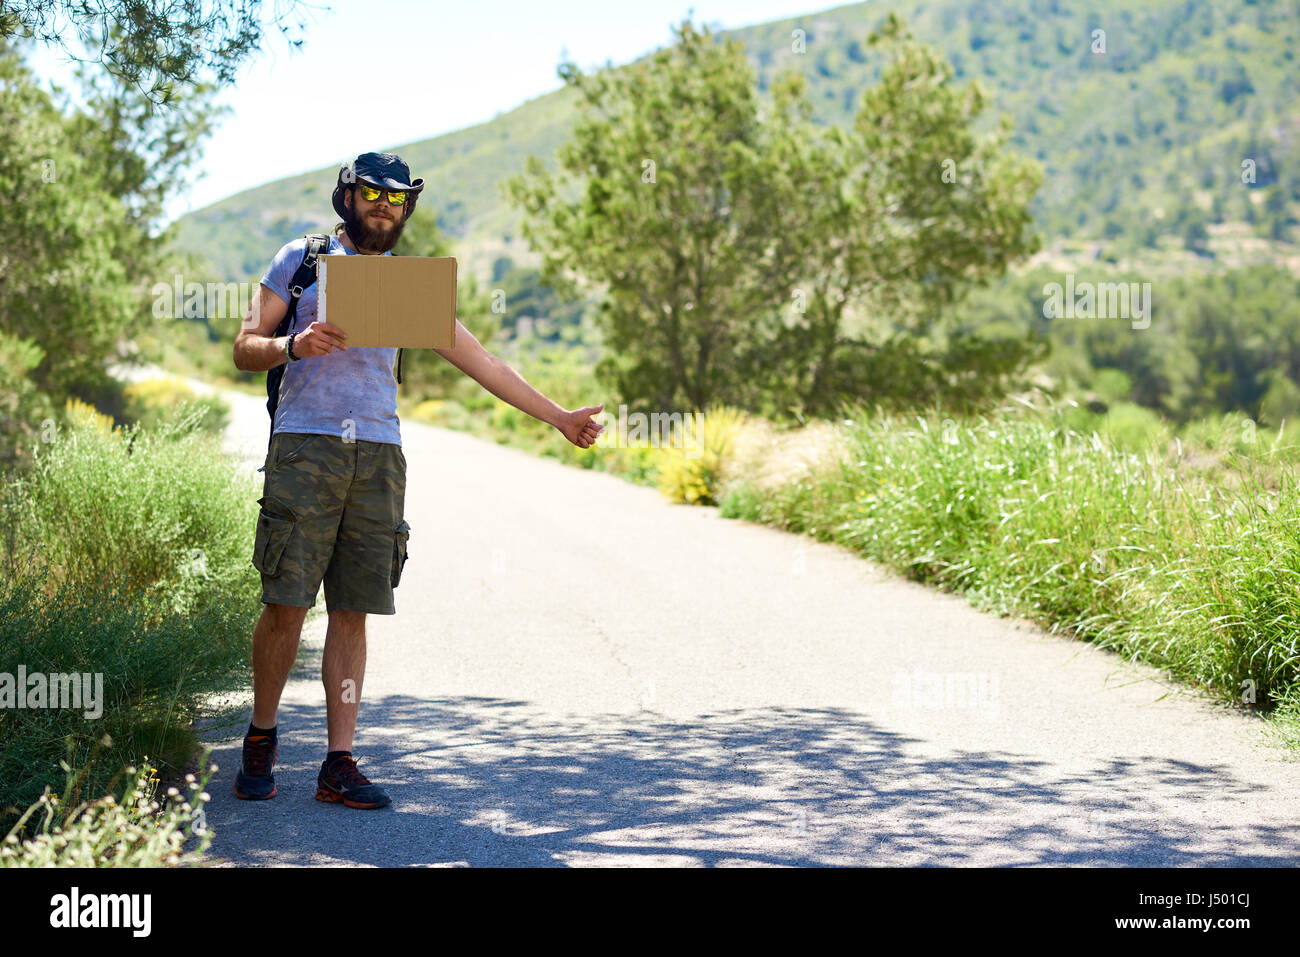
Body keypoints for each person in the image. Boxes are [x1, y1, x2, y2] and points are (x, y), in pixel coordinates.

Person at [231, 151, 604, 809]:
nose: (384, 205)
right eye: (373, 193)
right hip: (305, 448)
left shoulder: (410, 285)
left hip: (378, 455)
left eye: (397, 198)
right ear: (347, 197)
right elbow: (244, 346)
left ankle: (337, 761)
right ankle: (261, 735)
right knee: (287, 601)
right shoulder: (303, 259)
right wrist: (295, 345)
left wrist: (558, 417)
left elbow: (479, 359)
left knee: (354, 609)